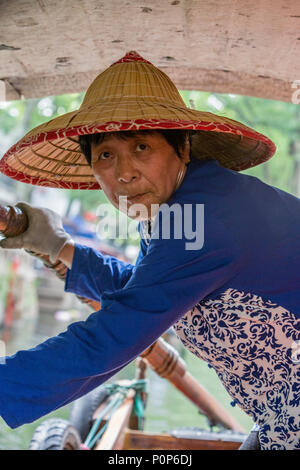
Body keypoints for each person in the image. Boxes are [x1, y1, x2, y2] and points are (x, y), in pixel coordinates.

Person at [0, 51, 299, 450]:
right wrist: (60, 247)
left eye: (141, 146)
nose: (124, 172)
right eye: (105, 155)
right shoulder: (181, 209)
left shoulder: (208, 217)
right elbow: (149, 289)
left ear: (183, 149)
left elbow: (112, 337)